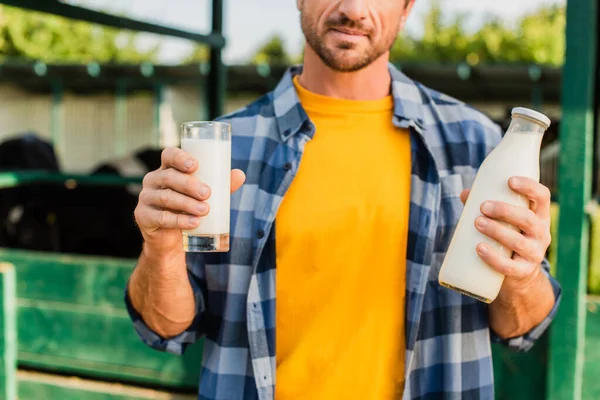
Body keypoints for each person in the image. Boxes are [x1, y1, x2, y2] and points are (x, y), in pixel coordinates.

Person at [125, 0, 562, 399]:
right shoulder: (225, 148)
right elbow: (166, 326)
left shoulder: (477, 143)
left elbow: (522, 327)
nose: (353, 8)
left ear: (407, 7)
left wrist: (522, 278)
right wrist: (160, 249)